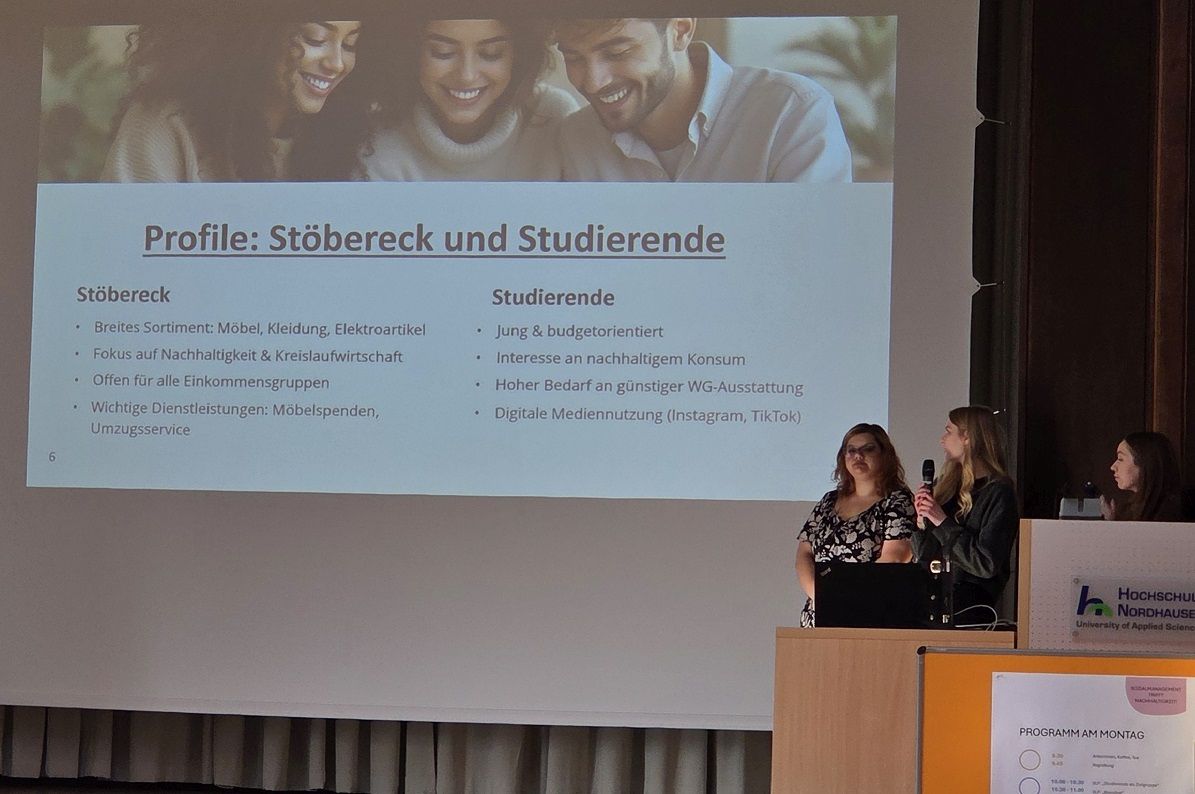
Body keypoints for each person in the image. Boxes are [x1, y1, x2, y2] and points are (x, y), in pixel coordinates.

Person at [554, 18, 852, 182]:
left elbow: (814, 258)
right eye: (574, 58)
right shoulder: (574, 139)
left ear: (680, 31)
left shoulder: (791, 112)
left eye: (617, 53)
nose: (593, 82)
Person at [102, 20, 367, 182]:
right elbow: (127, 245)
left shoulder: (345, 136)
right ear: (257, 32)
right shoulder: (164, 125)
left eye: (349, 44)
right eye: (315, 38)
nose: (336, 63)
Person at [362, 18, 576, 181]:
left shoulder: (555, 116)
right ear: (412, 54)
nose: (467, 75)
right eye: (443, 52)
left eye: (491, 53)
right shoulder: (375, 137)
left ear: (518, 57)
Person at [795, 423, 915, 627]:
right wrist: (822, 596)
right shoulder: (829, 500)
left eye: (868, 449)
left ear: (884, 455)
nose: (858, 455)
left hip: (869, 614)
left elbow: (896, 557)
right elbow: (804, 553)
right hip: (820, 614)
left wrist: (850, 600)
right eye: (851, 450)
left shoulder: (897, 500)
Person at [912, 406, 1019, 621]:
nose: (942, 440)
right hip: (930, 600)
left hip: (969, 610)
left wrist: (941, 521)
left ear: (968, 437)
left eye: (948, 431)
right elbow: (923, 555)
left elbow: (985, 563)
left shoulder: (998, 493)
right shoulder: (945, 487)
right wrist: (922, 522)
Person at [1099, 431, 1183, 521]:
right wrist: (1111, 522)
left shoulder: (1173, 512)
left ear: (1144, 462)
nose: (1113, 467)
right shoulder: (1128, 510)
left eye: (1120, 459)